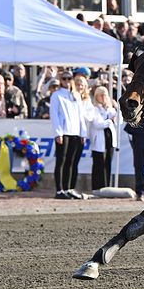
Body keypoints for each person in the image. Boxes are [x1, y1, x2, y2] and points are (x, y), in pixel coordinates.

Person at [50, 71, 87, 200]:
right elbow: (54, 115)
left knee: (71, 162)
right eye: (64, 78)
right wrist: (58, 132)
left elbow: (80, 116)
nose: (66, 81)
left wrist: (83, 132)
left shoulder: (76, 95)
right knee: (61, 161)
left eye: (69, 78)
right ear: (60, 80)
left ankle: (68, 188)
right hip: (64, 132)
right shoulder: (56, 95)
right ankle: (59, 190)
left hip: (75, 132)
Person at [90, 86, 118, 191]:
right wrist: (110, 120)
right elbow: (98, 124)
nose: (103, 97)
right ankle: (97, 186)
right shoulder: (94, 109)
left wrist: (117, 108)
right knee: (98, 164)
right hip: (99, 140)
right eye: (101, 95)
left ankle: (106, 186)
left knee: (108, 163)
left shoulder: (109, 109)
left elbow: (119, 120)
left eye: (105, 95)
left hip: (110, 139)